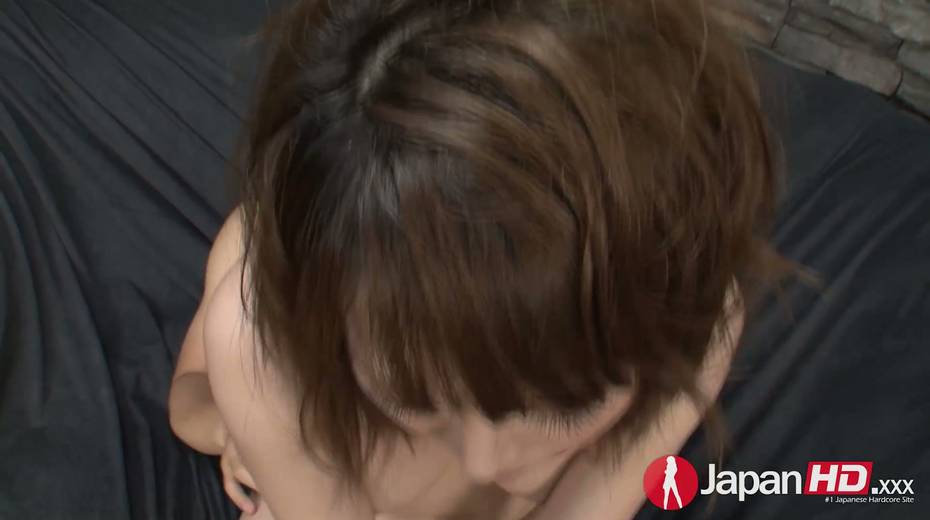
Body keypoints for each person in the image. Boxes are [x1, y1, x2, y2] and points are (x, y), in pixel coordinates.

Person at [168, 0, 819, 518]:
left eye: (567, 402)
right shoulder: (259, 345)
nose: (492, 463)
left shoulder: (695, 321)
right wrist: (255, 440)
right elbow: (193, 407)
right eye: (413, 394)